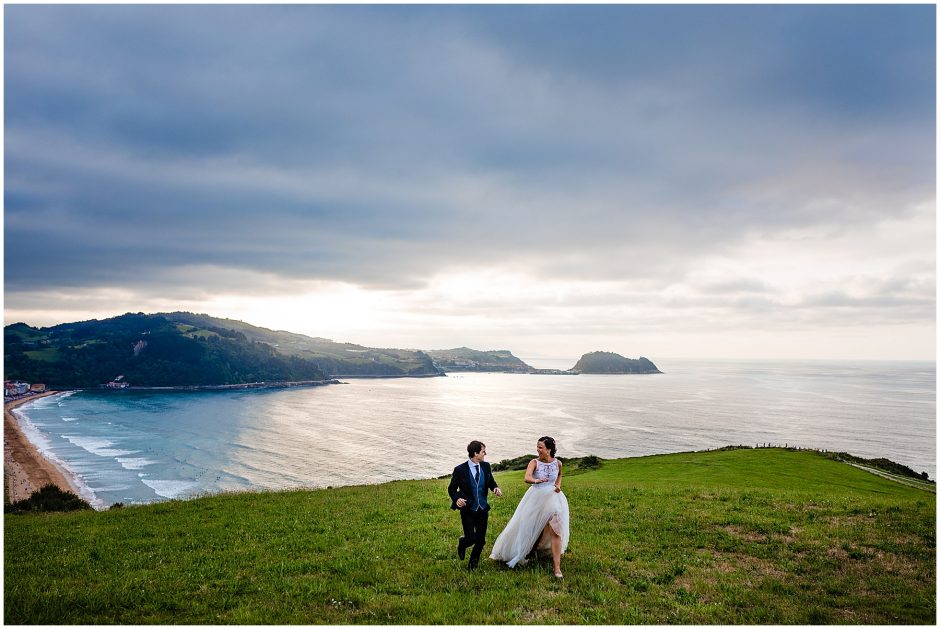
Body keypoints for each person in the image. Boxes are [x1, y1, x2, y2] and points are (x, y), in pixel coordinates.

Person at [490, 436, 569, 578]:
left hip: (554, 499)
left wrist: (558, 485)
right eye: (537, 447)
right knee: (529, 527)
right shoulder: (534, 462)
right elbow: (527, 477)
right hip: (536, 498)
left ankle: (557, 568)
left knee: (556, 531)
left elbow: (560, 475)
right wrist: (536, 480)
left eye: (541, 447)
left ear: (549, 449)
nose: (537, 450)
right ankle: (524, 551)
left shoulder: (558, 463)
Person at [448, 440, 502, 570]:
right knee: (471, 538)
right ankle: (463, 543)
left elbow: (491, 482)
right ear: (475, 453)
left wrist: (495, 488)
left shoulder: (486, 466)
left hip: (482, 508)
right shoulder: (460, 470)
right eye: (483, 451)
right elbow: (451, 489)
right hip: (468, 509)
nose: (485, 454)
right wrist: (456, 499)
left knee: (481, 540)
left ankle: (473, 563)